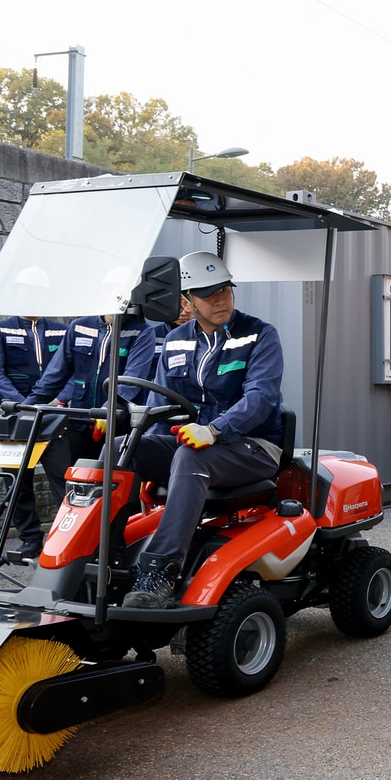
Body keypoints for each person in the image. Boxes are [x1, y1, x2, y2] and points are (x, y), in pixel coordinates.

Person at [122, 250, 285, 608]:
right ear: (187, 301)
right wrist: (137, 433)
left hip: (252, 447)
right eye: (208, 294)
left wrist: (214, 430)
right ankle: (103, 554)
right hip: (195, 446)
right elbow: (160, 405)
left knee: (190, 455)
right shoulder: (177, 340)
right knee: (121, 449)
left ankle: (160, 571)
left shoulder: (259, 335)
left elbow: (261, 397)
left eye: (225, 290)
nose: (220, 299)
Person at [26, 312, 158, 501]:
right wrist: (27, 406)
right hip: (80, 422)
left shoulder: (142, 332)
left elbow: (131, 380)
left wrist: (108, 410)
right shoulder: (79, 326)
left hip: (119, 428)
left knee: (115, 489)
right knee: (75, 485)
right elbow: (55, 375)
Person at [0, 315, 67, 557]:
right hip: (14, 416)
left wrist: (60, 399)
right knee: (17, 485)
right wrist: (25, 405)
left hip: (55, 414)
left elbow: (76, 369)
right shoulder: (0, 330)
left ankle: (66, 539)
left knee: (64, 481)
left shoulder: (62, 331)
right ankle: (30, 539)